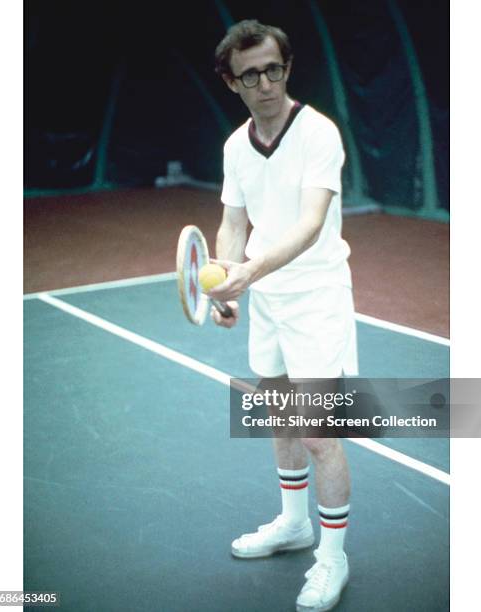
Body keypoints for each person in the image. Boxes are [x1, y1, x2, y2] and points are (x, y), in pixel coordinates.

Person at [209, 19, 358, 612]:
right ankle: (295, 525)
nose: (267, 83)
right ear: (231, 81)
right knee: (281, 416)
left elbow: (309, 224)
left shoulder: (319, 134)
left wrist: (250, 271)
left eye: (276, 69)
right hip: (266, 298)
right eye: (252, 75)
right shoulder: (233, 146)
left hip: (317, 297)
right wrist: (227, 284)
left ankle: (333, 558)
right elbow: (233, 223)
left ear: (286, 68)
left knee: (321, 434)